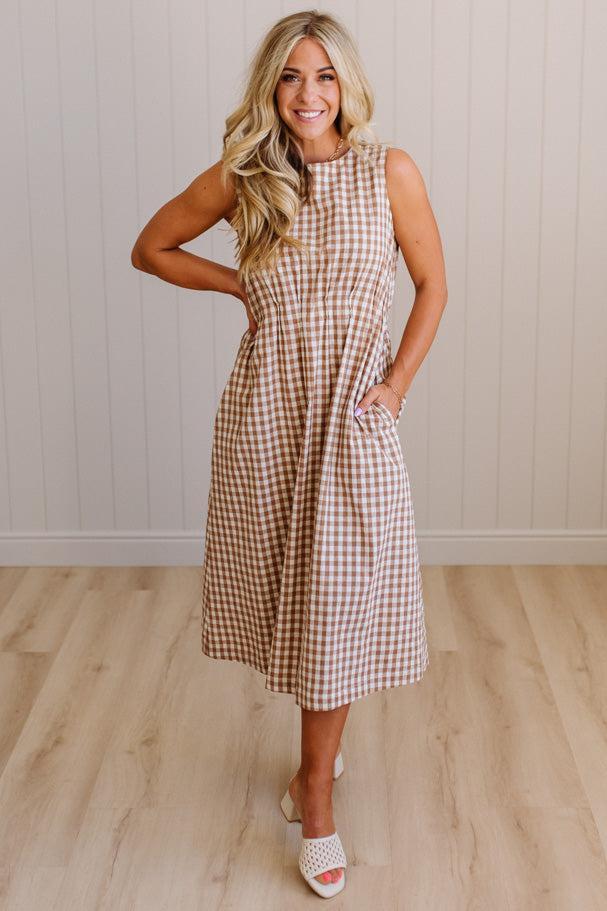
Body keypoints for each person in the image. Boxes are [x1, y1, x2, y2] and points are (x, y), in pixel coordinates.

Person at [131, 9, 447, 900]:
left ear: (347, 84)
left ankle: (315, 794)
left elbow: (433, 285)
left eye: (323, 76)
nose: (307, 95)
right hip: (267, 416)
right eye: (289, 77)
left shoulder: (390, 171)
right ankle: (322, 760)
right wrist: (238, 283)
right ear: (270, 88)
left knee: (336, 605)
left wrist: (394, 388)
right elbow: (149, 246)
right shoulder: (248, 177)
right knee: (294, 595)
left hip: (351, 416)